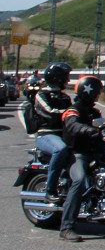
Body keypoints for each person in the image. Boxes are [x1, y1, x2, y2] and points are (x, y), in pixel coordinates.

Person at [59, 75, 105, 242]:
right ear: (88, 91)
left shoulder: (94, 112)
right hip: (77, 154)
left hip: (94, 151)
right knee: (79, 180)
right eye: (96, 92)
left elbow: (102, 130)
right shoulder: (73, 109)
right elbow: (72, 125)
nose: (98, 95)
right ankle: (66, 227)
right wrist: (88, 130)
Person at [34, 62, 73, 203]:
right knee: (60, 149)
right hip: (47, 135)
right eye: (65, 77)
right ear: (57, 78)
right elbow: (50, 112)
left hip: (64, 135)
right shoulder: (42, 95)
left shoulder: (65, 97)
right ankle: (50, 190)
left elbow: (74, 113)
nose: (68, 80)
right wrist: (70, 113)